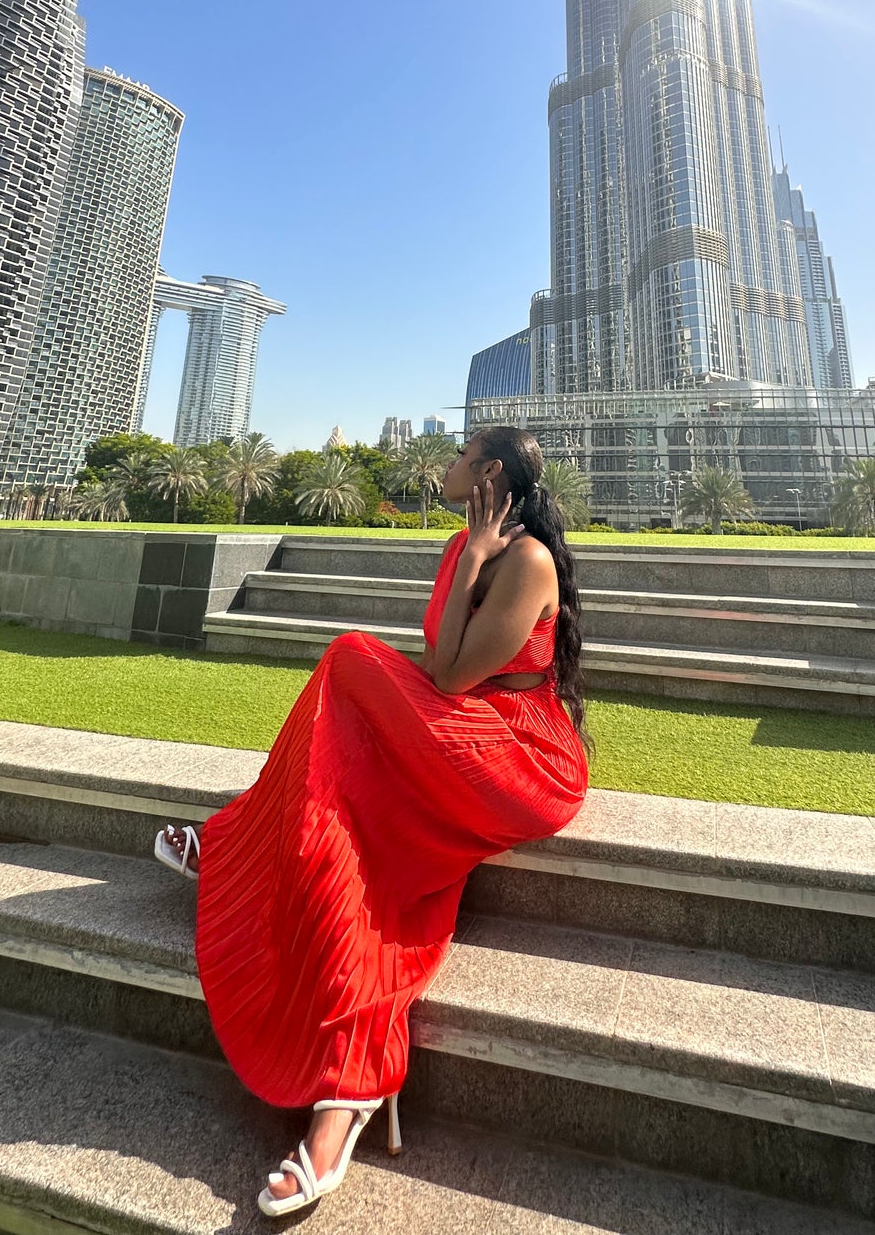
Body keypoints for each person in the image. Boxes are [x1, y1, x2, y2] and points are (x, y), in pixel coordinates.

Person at [154, 425, 591, 1217]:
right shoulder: (477, 546)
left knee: (351, 656)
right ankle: (348, 1091)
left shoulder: (523, 560)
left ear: (489, 471)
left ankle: (234, 842)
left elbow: (452, 675)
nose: (449, 465)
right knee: (355, 829)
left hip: (521, 759)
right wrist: (465, 555)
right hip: (465, 731)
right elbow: (439, 666)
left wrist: (471, 560)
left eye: (461, 456)